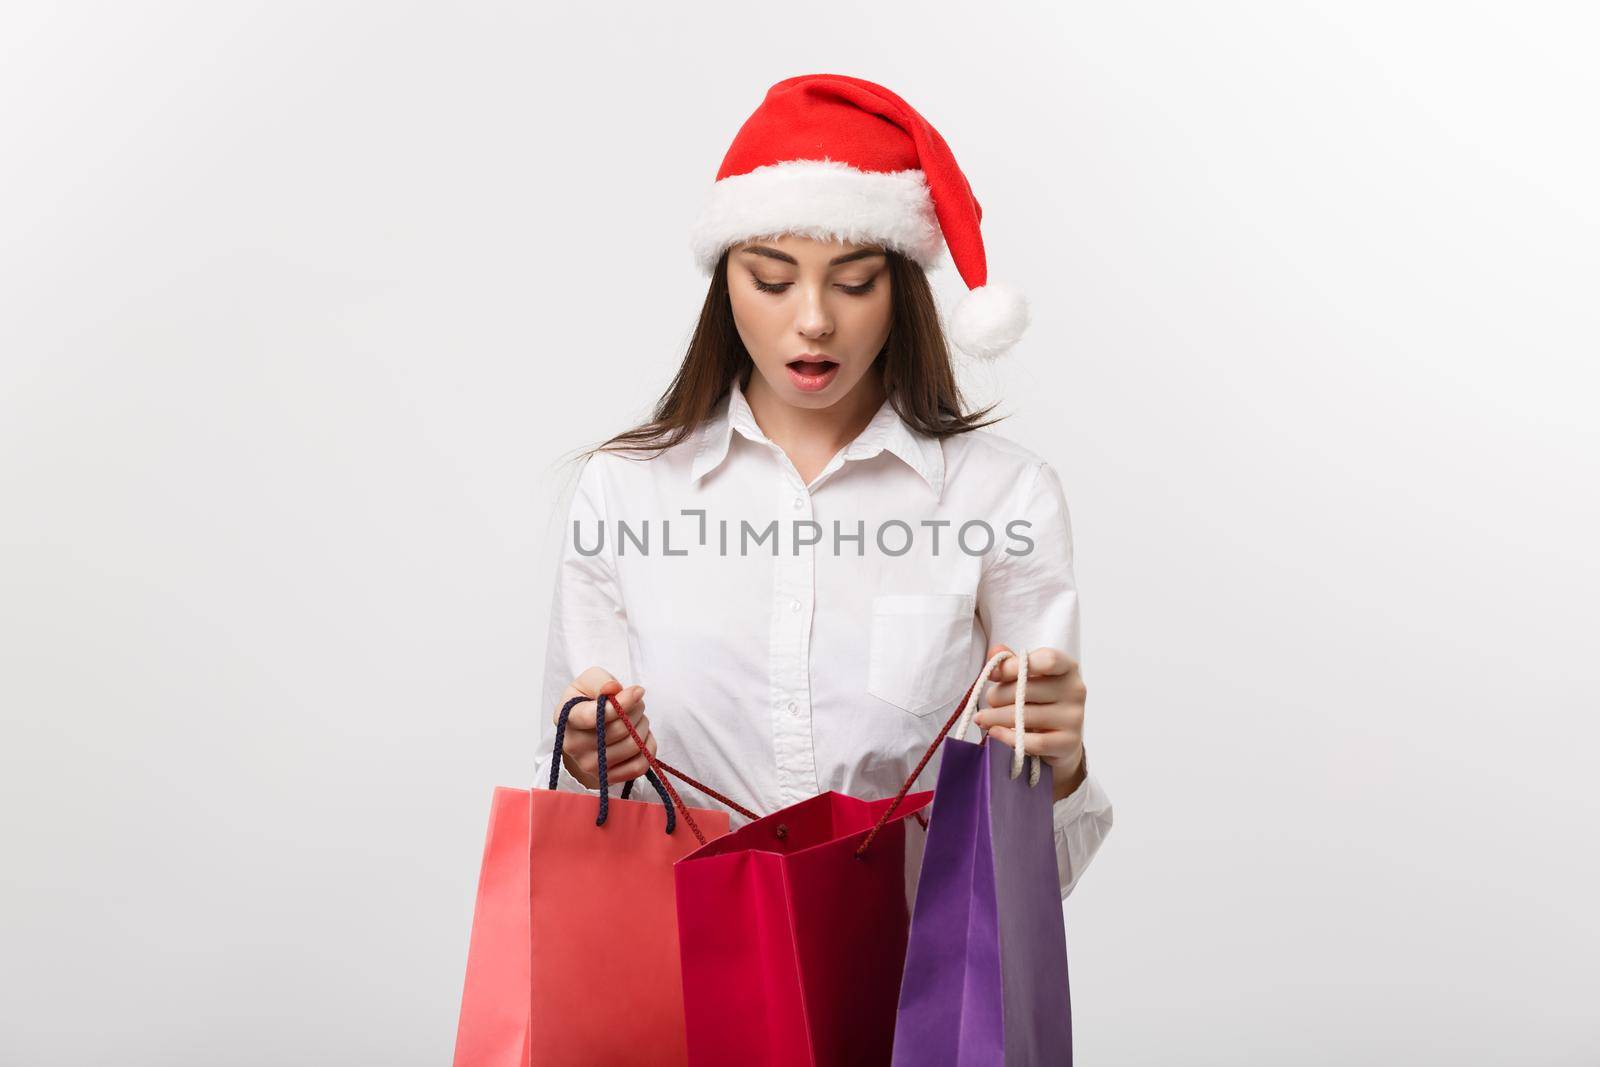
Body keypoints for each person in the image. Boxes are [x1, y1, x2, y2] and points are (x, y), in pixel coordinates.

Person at [532, 73, 1112, 898]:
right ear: (725, 280)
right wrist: (589, 767)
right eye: (772, 280)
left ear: (901, 287)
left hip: (913, 1007)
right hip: (686, 999)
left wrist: (1060, 768)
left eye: (852, 282)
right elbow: (575, 844)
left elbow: (1033, 889)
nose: (813, 320)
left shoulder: (1003, 499)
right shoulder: (626, 493)